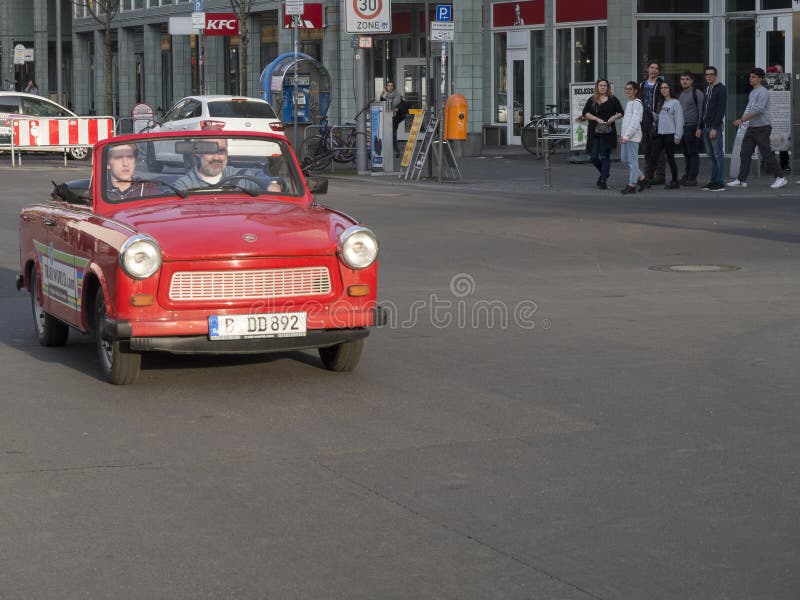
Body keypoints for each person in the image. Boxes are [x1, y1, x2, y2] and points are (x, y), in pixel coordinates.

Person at [727, 68, 787, 190]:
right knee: (744, 153)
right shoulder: (753, 92)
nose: (750, 79)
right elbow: (750, 109)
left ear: (760, 79)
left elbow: (758, 110)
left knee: (766, 154)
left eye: (753, 77)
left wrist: (741, 120)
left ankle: (780, 177)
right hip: (751, 128)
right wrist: (745, 123)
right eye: (750, 76)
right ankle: (741, 180)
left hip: (762, 128)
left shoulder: (762, 92)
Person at [173, 138, 283, 193]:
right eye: (210, 151)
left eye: (221, 151)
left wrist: (272, 186)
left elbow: (273, 183)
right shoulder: (183, 186)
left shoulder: (243, 176)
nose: (216, 157)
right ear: (198, 153)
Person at [581, 79, 624, 189]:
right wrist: (596, 119)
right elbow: (585, 113)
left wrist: (614, 117)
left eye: (605, 85)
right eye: (600, 85)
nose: (603, 87)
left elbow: (621, 112)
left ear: (607, 87)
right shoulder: (592, 99)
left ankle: (603, 180)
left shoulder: (613, 99)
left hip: (607, 132)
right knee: (593, 157)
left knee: (605, 156)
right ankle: (605, 173)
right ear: (597, 87)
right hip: (594, 132)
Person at [647, 81, 683, 189]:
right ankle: (648, 179)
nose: (663, 90)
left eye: (665, 87)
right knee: (653, 157)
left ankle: (675, 181)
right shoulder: (660, 103)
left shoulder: (675, 103)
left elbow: (679, 120)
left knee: (670, 158)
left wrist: (678, 136)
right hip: (660, 134)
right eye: (662, 88)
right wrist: (653, 115)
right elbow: (659, 118)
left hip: (670, 134)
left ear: (670, 89)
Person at [699, 66, 727, 191]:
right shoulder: (707, 89)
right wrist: (700, 127)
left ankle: (720, 182)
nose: (709, 76)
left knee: (718, 155)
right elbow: (703, 110)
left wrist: (715, 128)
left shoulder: (721, 89)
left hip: (714, 127)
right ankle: (713, 181)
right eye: (707, 74)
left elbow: (721, 110)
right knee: (711, 156)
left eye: (711, 74)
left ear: (716, 76)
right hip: (705, 127)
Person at [639, 61, 665, 186]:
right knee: (647, 149)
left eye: (656, 68)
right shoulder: (642, 84)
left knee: (658, 149)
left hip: (657, 119)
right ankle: (648, 175)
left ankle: (660, 175)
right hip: (644, 119)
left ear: (659, 71)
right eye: (652, 67)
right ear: (648, 69)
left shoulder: (662, 84)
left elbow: (664, 100)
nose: (654, 70)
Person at [619, 81, 646, 195]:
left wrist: (627, 135)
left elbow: (635, 122)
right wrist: (623, 135)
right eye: (626, 89)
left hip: (632, 137)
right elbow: (626, 121)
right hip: (626, 136)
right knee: (624, 160)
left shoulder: (637, 103)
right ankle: (642, 179)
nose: (628, 91)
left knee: (632, 161)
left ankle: (632, 185)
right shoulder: (629, 103)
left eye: (630, 89)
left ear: (635, 91)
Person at [677, 72, 704, 186]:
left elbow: (702, 112)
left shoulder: (696, 93)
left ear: (692, 81)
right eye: (682, 79)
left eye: (687, 79)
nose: (684, 81)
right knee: (686, 153)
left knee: (693, 153)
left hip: (692, 127)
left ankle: (693, 178)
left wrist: (699, 128)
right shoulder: (680, 94)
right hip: (682, 128)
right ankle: (687, 175)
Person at [379, 81, 406, 157]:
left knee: (393, 134)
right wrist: (384, 94)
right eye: (389, 85)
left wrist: (394, 107)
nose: (390, 87)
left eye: (391, 86)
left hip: (395, 117)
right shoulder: (384, 94)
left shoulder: (396, 94)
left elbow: (395, 103)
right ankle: (385, 150)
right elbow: (382, 103)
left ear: (393, 87)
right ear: (386, 87)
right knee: (385, 134)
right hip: (386, 117)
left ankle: (396, 151)